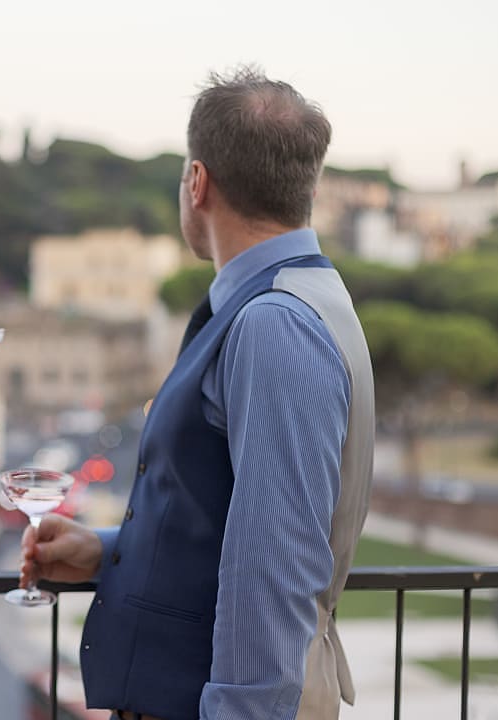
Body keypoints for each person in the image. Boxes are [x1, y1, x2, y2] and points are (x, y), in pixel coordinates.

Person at [21, 67, 375, 720]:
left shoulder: (275, 323)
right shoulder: (289, 301)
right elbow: (228, 518)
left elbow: (276, 567)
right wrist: (108, 551)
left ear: (197, 183)